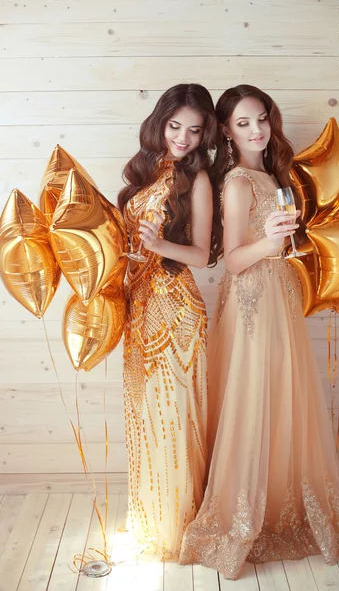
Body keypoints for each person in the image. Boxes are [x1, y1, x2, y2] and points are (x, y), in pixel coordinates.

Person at [179, 85, 339, 579]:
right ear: (227, 133)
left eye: (262, 118)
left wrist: (284, 241)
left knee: (284, 398)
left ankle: (283, 498)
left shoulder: (270, 174)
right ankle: (241, 513)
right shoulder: (237, 182)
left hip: (278, 295)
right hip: (252, 300)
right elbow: (233, 261)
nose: (257, 129)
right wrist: (272, 240)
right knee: (253, 398)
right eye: (243, 123)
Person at [118, 83, 222, 560]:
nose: (182, 138)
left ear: (205, 136)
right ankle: (153, 518)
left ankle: (180, 526)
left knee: (175, 419)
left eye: (194, 131)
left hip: (177, 312)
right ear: (159, 123)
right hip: (140, 309)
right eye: (175, 126)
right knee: (145, 417)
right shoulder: (143, 174)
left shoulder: (197, 181)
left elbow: (201, 255)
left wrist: (158, 247)